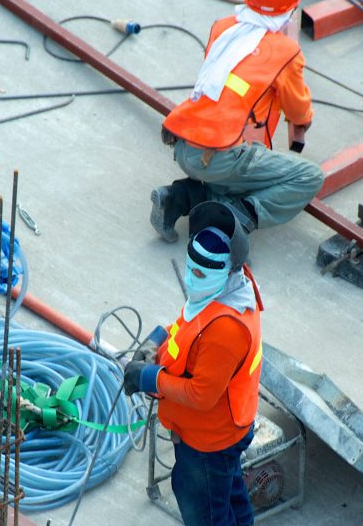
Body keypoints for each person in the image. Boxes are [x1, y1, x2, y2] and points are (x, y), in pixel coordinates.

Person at [150, 0, 324, 242]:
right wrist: (303, 122)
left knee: (235, 172)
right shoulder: (285, 52)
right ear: (291, 9)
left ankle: (177, 198)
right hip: (219, 155)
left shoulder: (223, 27)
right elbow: (297, 110)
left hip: (183, 143)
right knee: (308, 176)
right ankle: (235, 218)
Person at [125, 202, 264, 526]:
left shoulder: (226, 329)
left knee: (205, 512)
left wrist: (150, 378)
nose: (191, 277)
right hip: (222, 432)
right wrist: (156, 341)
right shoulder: (222, 291)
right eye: (190, 267)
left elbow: (202, 395)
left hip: (210, 442)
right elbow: (188, 328)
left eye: (200, 273)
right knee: (230, 496)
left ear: (228, 269)